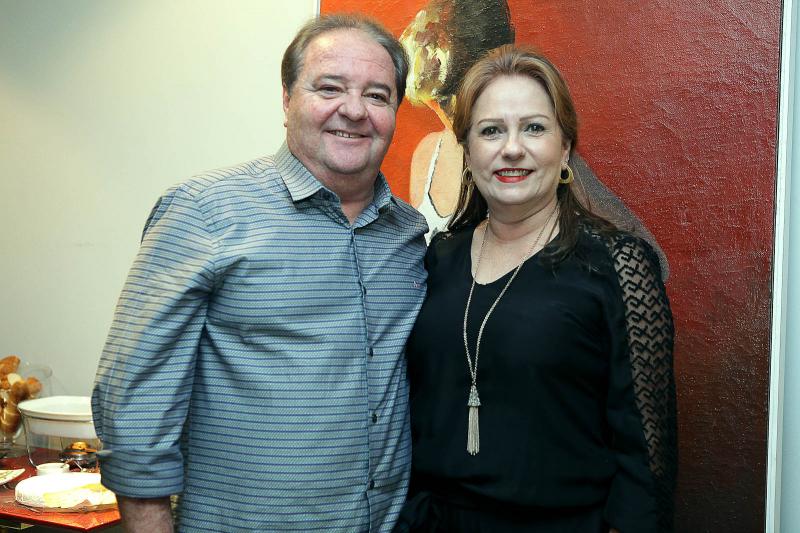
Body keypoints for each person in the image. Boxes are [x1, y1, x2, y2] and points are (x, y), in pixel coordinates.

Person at [91, 14, 428, 532]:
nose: (354, 110)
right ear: (286, 99)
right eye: (329, 88)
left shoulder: (408, 234)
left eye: (377, 95)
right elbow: (136, 400)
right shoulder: (204, 211)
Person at [397, 45, 677, 532]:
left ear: (564, 147)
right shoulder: (436, 259)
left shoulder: (616, 263)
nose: (512, 148)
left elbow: (646, 460)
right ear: (468, 151)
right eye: (491, 130)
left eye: (533, 128)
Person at [399, 0, 670, 282]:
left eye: (460, 96)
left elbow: (650, 260)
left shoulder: (533, 151)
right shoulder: (427, 156)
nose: (453, 115)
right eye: (439, 103)